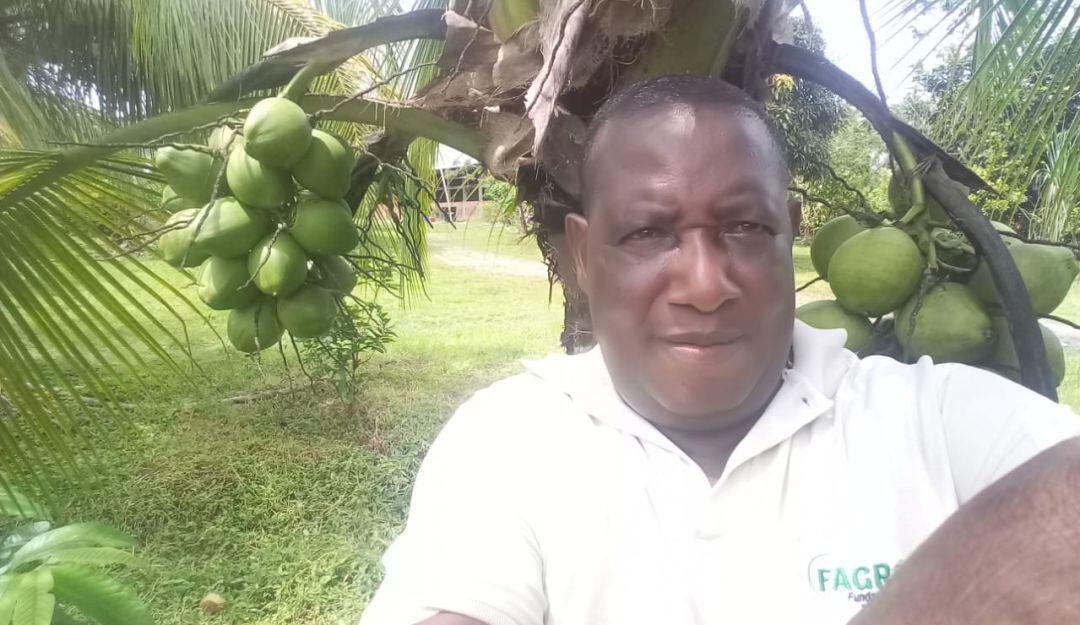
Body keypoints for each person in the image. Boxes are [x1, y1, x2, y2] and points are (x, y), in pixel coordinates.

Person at [358, 75, 1080, 625]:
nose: (705, 286)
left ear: (789, 233)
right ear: (583, 253)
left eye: (742, 227)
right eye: (648, 233)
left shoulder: (933, 420)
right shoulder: (510, 440)